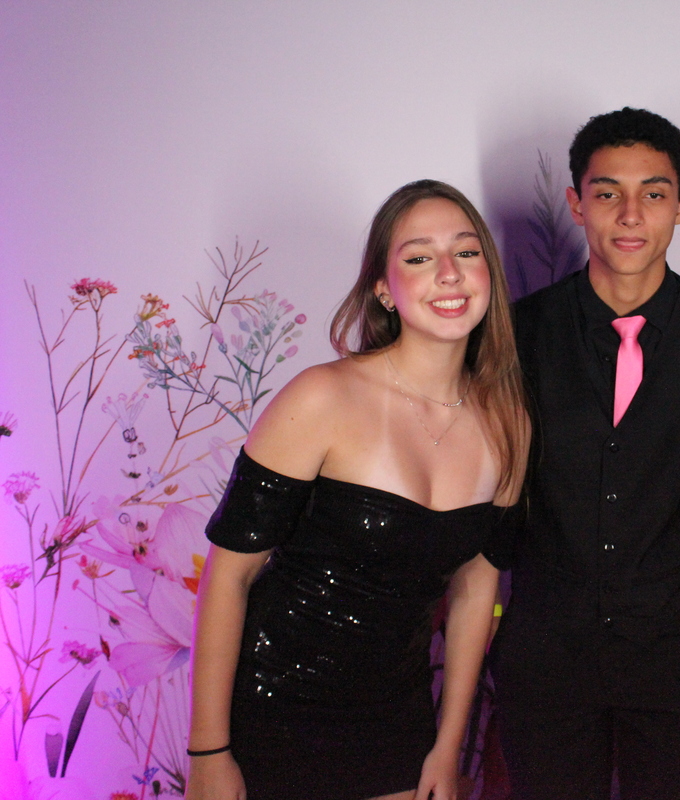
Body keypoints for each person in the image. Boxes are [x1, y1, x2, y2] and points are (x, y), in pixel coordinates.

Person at [185, 180, 528, 800]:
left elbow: (477, 589)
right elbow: (229, 576)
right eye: (419, 257)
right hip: (272, 708)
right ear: (383, 288)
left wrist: (448, 747)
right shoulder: (322, 396)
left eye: (466, 252)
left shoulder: (510, 424)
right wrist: (208, 752)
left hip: (397, 722)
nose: (448, 273)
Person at [490, 107, 680, 800]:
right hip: (544, 651)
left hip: (671, 654)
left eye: (653, 193)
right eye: (607, 192)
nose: (629, 214)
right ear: (576, 203)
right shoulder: (521, 333)